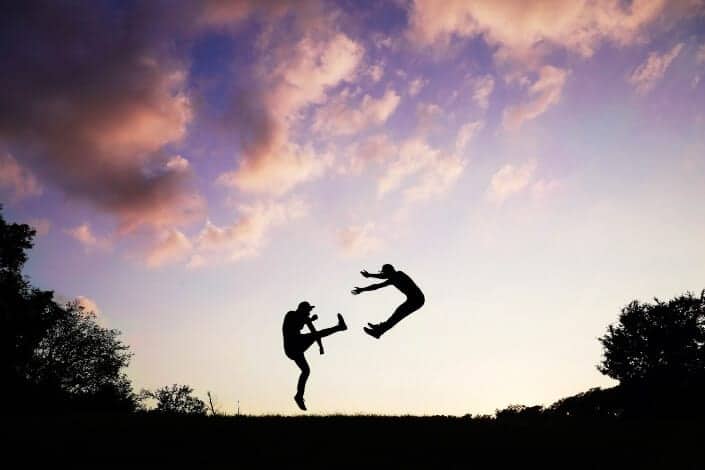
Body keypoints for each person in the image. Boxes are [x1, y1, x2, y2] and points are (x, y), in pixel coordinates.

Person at [282, 301, 347, 411]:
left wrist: (320, 346)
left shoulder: (305, 318)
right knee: (314, 337)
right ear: (302, 309)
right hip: (292, 345)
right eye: (308, 310)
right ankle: (339, 327)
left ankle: (299, 396)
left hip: (298, 347)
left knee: (306, 371)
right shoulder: (291, 314)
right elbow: (294, 325)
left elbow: (314, 332)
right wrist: (310, 319)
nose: (309, 312)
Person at [351, 264, 425, 339]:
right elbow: (379, 282)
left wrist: (368, 279)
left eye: (385, 272)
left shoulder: (398, 275)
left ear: (389, 271)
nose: (384, 274)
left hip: (417, 300)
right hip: (414, 299)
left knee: (397, 316)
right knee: (397, 315)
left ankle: (378, 331)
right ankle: (380, 328)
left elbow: (379, 282)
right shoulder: (394, 277)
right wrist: (366, 282)